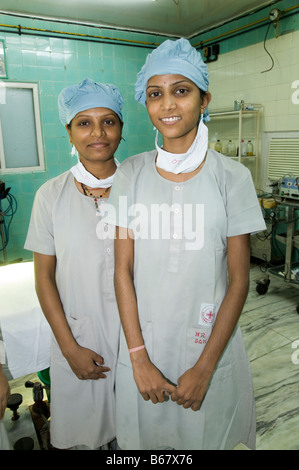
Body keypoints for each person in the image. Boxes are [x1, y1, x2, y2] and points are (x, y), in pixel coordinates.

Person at [105, 38, 266, 450]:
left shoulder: (232, 177)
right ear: (146, 103)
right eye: (156, 94)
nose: (168, 105)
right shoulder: (130, 176)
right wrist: (138, 358)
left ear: (203, 98)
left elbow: (238, 280)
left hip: (208, 344)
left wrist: (205, 368)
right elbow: (121, 271)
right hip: (146, 347)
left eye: (181, 90)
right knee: (148, 445)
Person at [24, 78, 123, 450]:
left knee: (138, 435)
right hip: (81, 337)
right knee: (87, 435)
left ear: (121, 129)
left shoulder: (142, 188)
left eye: (108, 121)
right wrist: (69, 348)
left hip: (138, 339)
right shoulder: (51, 196)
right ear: (69, 133)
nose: (97, 132)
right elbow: (44, 279)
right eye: (84, 122)